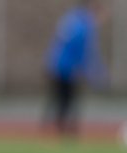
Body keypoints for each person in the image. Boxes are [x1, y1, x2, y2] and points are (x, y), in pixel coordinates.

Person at [44, 0, 107, 138]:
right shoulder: (84, 26)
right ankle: (65, 131)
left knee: (60, 98)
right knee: (67, 99)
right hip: (65, 67)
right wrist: (93, 73)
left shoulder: (72, 18)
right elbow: (82, 52)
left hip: (56, 64)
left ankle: (54, 128)